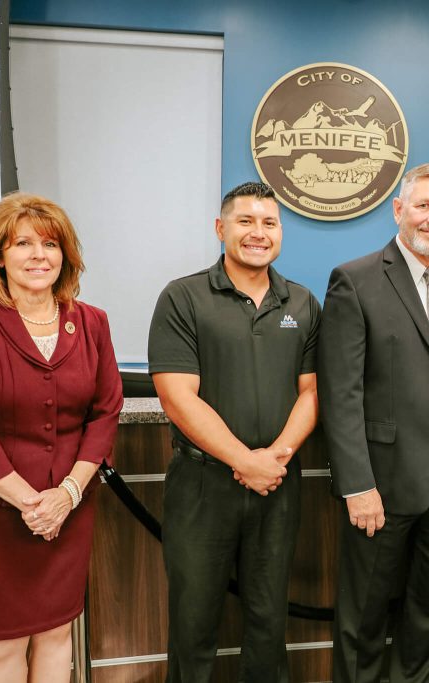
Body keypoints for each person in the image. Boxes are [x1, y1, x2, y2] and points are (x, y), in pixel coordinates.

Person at [318, 162, 429, 683]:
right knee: (366, 612)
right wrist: (357, 485)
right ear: (399, 210)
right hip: (384, 477)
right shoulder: (355, 280)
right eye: (424, 205)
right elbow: (342, 393)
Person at [0, 192, 123, 681]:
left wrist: (66, 495)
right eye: (23, 243)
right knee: (2, 644)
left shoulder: (92, 321)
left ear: (66, 255)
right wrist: (32, 504)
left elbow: (105, 413)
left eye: (51, 244)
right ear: (0, 255)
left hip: (69, 507)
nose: (39, 255)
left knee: (58, 633)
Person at [148, 181, 320, 682]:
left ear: (280, 233)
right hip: (203, 487)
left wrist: (275, 458)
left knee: (269, 622)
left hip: (278, 485)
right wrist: (246, 461)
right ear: (221, 229)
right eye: (245, 221)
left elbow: (312, 392)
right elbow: (178, 397)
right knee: (194, 621)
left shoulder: (303, 303)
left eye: (268, 223)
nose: (257, 233)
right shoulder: (183, 297)